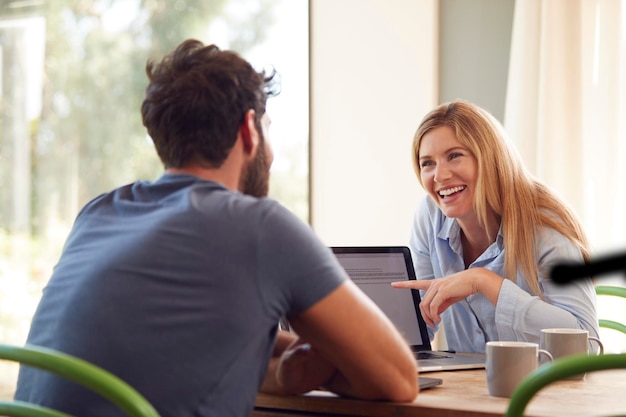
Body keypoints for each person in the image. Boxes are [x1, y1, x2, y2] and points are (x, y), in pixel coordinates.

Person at [15, 39, 418, 417]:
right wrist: (312, 363)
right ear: (249, 129)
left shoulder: (100, 213)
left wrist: (280, 374)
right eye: (269, 126)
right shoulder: (261, 227)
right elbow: (399, 379)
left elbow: (185, 344)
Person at [391, 100, 599, 353]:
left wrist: (484, 282)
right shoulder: (430, 215)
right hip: (470, 389)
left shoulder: (545, 225)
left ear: (489, 158)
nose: (439, 176)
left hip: (546, 388)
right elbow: (421, 322)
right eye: (428, 163)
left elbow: (586, 348)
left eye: (454, 156)